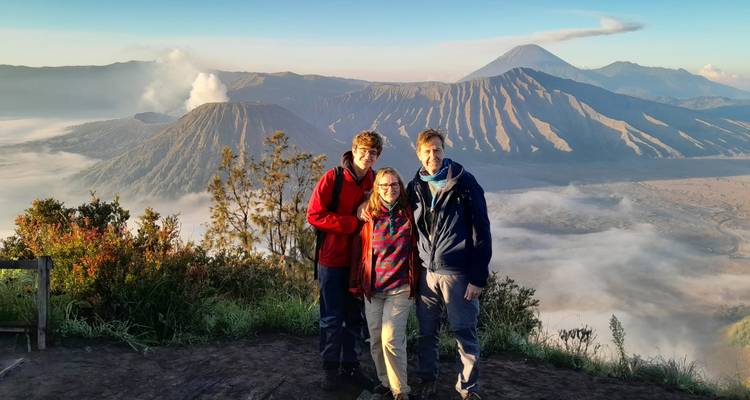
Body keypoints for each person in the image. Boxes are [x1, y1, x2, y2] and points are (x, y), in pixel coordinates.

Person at [406, 129, 492, 400]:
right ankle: (427, 379)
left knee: (464, 332)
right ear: (419, 154)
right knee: (426, 332)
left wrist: (478, 278)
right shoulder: (415, 186)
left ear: (444, 151)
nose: (433, 155)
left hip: (458, 274)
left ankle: (468, 388)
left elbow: (482, 232)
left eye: (437, 149)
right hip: (426, 273)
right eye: (427, 151)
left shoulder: (465, 183)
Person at [307, 130, 383, 391]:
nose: (368, 155)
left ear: (377, 156)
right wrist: (351, 222)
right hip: (331, 260)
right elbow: (314, 215)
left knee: (354, 317)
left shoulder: (374, 180)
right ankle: (330, 369)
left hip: (359, 262)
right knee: (331, 317)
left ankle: (351, 367)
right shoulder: (333, 178)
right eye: (364, 149)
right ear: (354, 150)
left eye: (373, 152)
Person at [350, 167, 420, 400]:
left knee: (391, 339)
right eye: (384, 185)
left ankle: (401, 391)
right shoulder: (369, 216)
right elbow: (359, 252)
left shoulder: (410, 212)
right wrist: (357, 283)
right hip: (374, 288)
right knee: (376, 340)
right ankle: (385, 382)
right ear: (377, 190)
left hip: (401, 287)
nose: (390, 189)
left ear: (401, 187)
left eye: (394, 185)